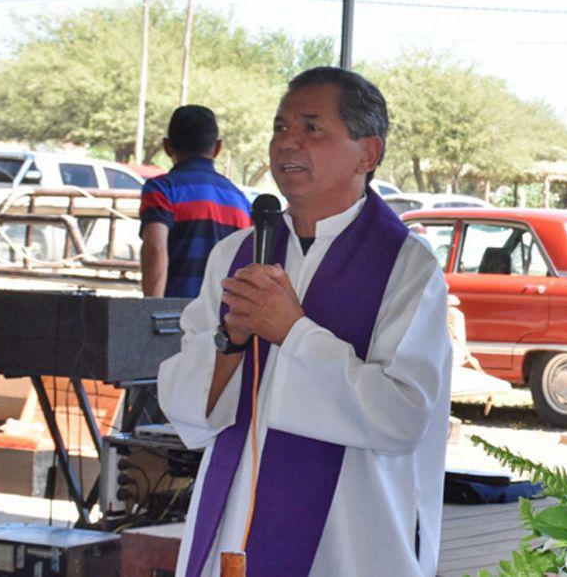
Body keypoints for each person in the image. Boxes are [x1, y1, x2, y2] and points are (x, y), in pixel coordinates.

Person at [157, 67, 452, 577]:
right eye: (279, 127)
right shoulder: (235, 254)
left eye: (311, 128)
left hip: (352, 534)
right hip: (234, 521)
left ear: (368, 153)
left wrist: (293, 331)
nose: (286, 143)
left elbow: (402, 416)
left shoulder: (407, 266)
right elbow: (187, 409)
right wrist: (232, 339)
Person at [140, 106, 252, 299]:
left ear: (167, 146)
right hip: (225, 318)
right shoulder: (240, 200)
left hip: (175, 316)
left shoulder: (162, 189)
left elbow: (155, 248)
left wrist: (152, 308)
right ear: (217, 148)